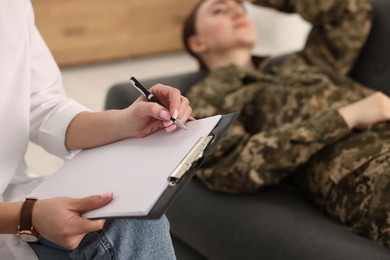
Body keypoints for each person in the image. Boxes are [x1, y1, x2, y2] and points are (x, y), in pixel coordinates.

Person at [182, 0, 390, 248]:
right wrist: (344, 118)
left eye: (239, 7)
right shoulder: (204, 99)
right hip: (371, 171)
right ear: (197, 43)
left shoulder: (303, 65)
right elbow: (229, 165)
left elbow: (351, 10)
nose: (237, 11)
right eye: (219, 10)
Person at [0, 1, 192, 259]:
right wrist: (26, 216)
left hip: (13, 194)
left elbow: (40, 104)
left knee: (130, 214)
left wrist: (125, 122)